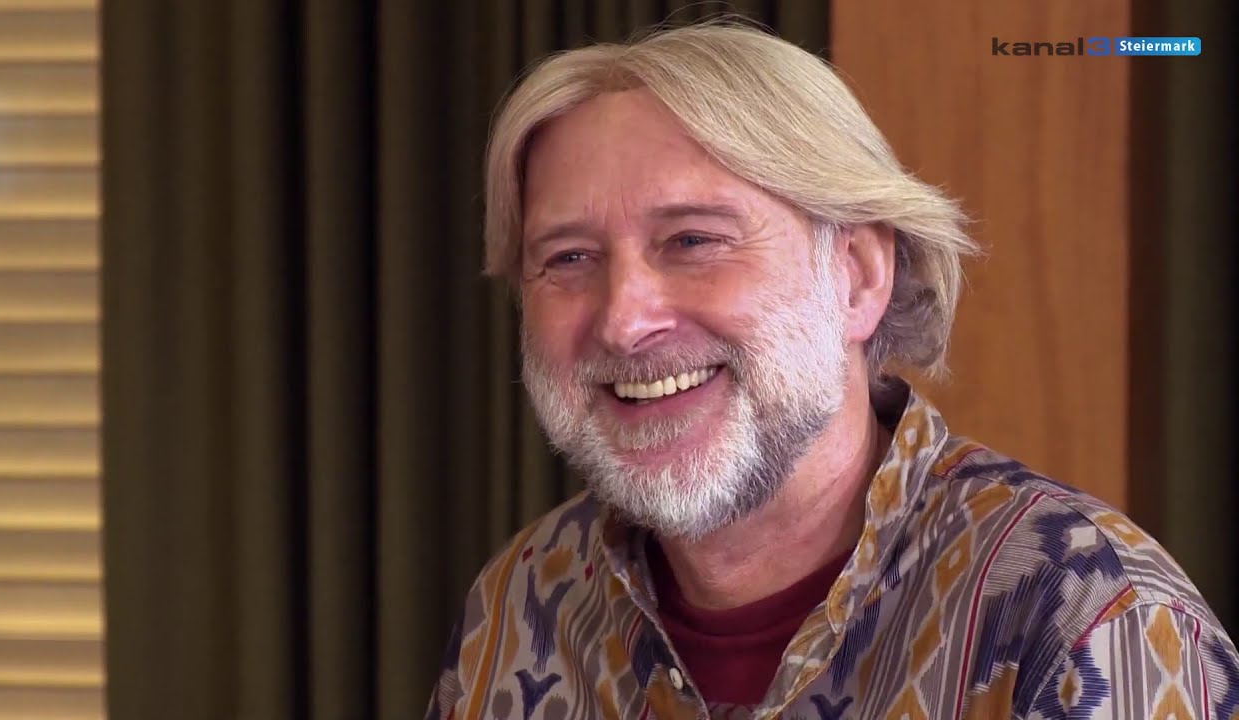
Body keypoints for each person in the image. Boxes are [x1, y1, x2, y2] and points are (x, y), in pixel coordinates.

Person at [425, 21, 1238, 720]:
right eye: (568, 258)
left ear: (857, 276)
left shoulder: (1088, 615)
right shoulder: (524, 603)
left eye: (694, 241)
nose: (624, 320)